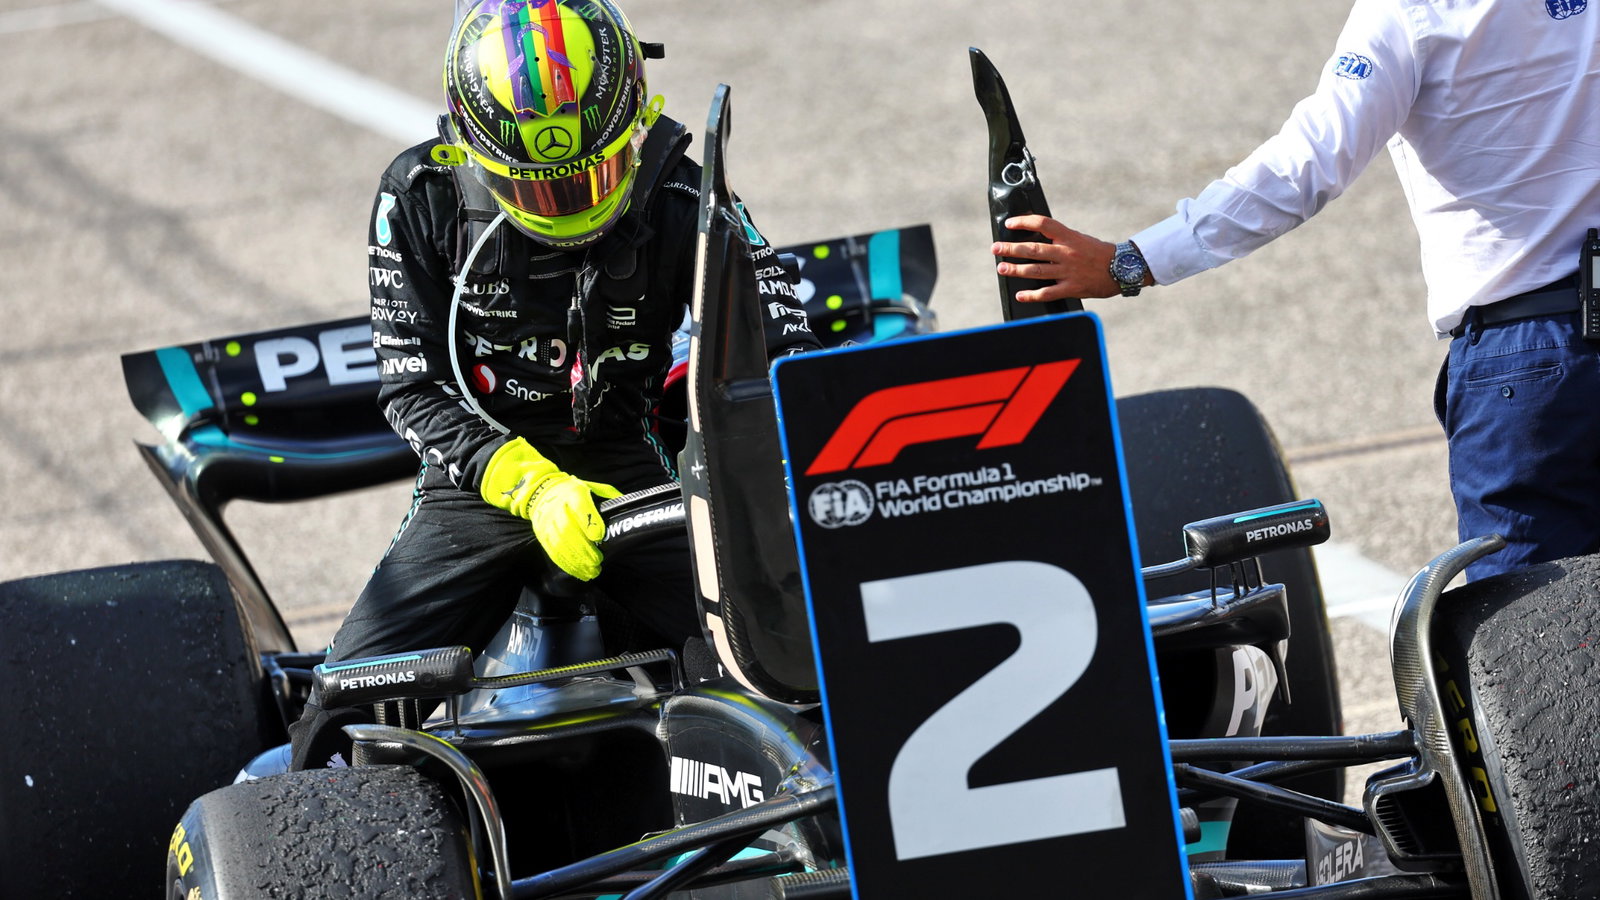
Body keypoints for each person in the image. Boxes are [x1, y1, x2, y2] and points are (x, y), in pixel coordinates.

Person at [291, 0, 819, 768]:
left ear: (638, 118)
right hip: (476, 480)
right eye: (542, 187)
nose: (572, 203)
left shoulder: (682, 195)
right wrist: (533, 489)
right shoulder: (418, 196)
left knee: (781, 663)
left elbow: (783, 348)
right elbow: (411, 390)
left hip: (628, 472)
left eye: (593, 173)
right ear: (474, 148)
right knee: (339, 717)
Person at [991, 0, 1600, 581]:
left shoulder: (1412, 13)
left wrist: (1130, 263)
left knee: (1533, 642)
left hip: (1529, 359)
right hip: (1537, 353)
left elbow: (1304, 166)